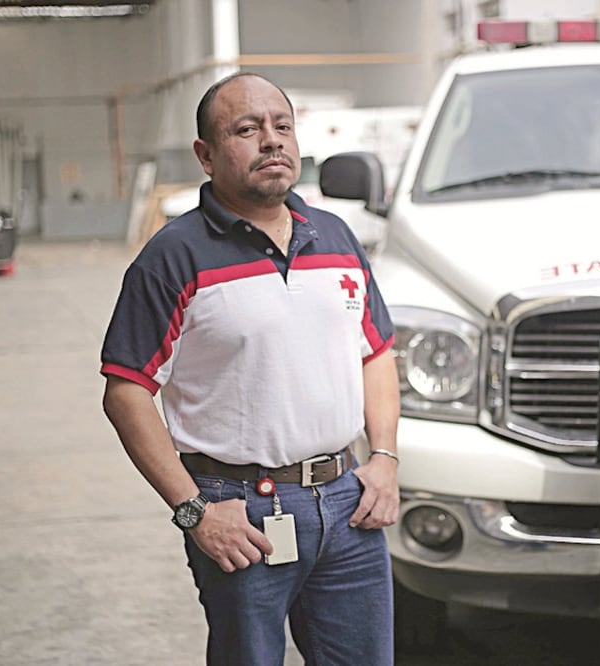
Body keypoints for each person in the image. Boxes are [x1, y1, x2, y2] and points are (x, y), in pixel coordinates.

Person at [100, 71, 401, 665]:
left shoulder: (336, 237)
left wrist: (385, 459)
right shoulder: (173, 257)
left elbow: (377, 353)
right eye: (247, 129)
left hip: (349, 504)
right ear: (206, 156)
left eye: (281, 126)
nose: (271, 140)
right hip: (240, 513)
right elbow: (126, 393)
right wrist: (194, 512)